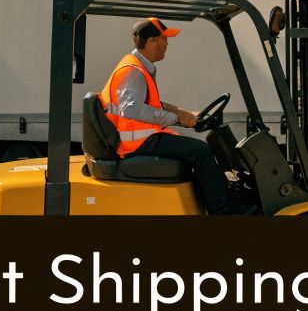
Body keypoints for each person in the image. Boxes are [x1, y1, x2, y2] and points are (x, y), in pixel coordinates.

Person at [96, 17, 257, 215]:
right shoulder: (133, 71)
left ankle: (223, 199)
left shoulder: (137, 65)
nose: (167, 43)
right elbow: (130, 110)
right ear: (153, 41)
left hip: (137, 140)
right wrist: (175, 119)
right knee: (201, 152)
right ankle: (223, 212)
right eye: (164, 38)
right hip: (135, 144)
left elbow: (149, 103)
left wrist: (182, 112)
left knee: (196, 150)